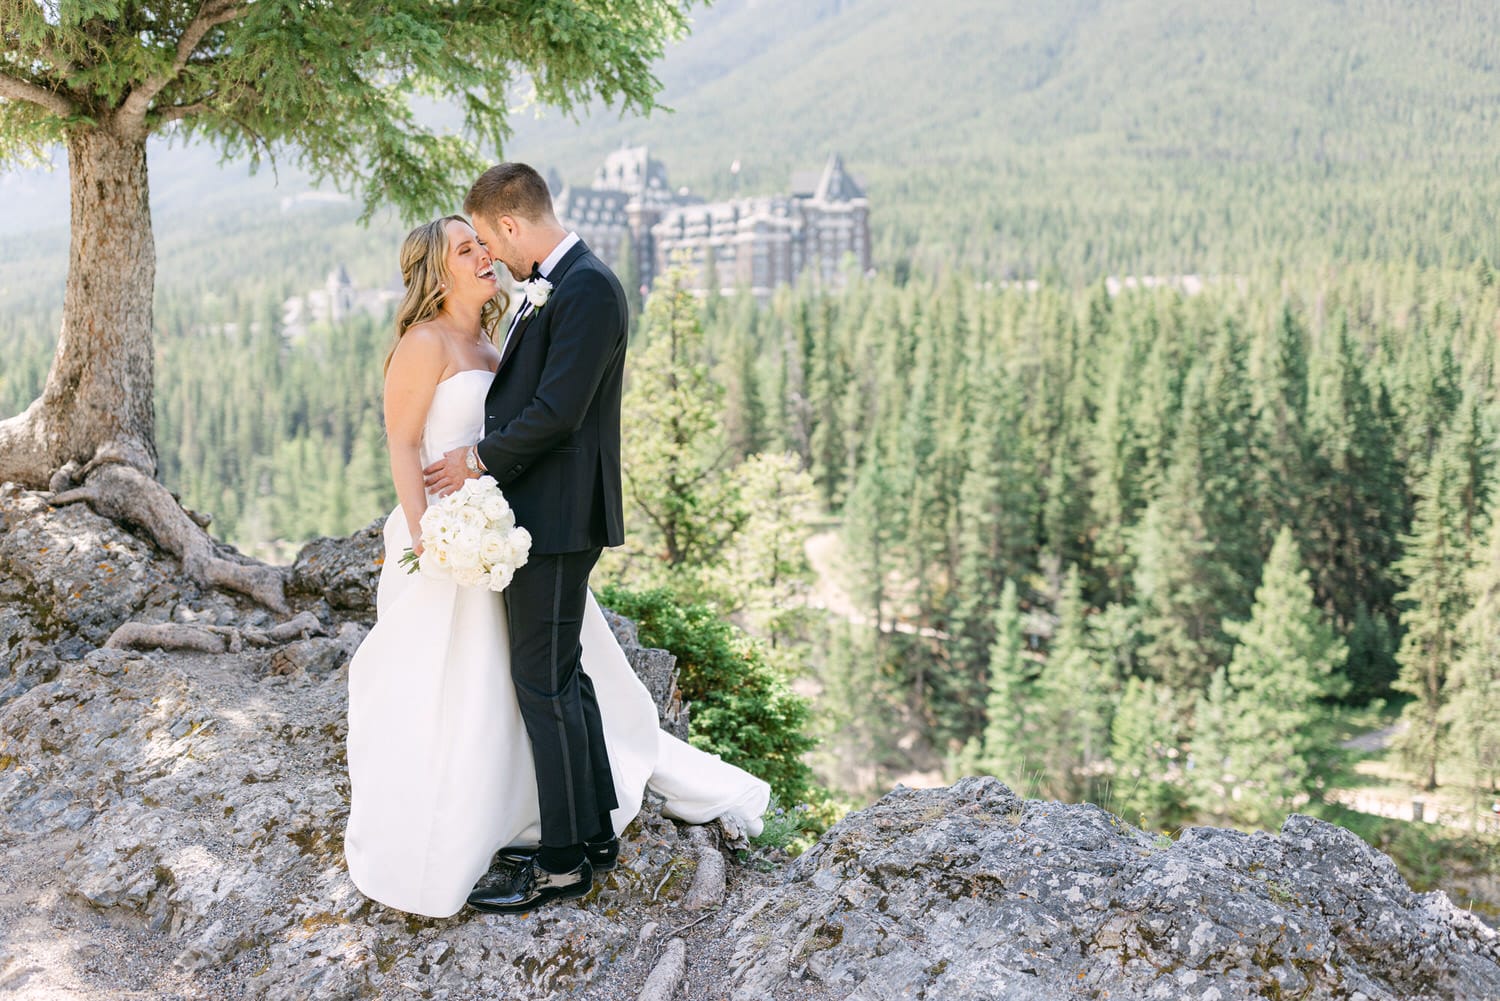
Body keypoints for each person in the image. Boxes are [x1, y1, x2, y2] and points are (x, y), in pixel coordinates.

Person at [344, 204, 769, 921]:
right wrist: (426, 542)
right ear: (434, 268)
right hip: (447, 545)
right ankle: (483, 826)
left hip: (502, 536)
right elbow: (402, 445)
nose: (482, 255)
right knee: (460, 690)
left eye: (483, 242)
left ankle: (556, 836)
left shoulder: (487, 335)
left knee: (530, 684)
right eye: (464, 247)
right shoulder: (423, 343)